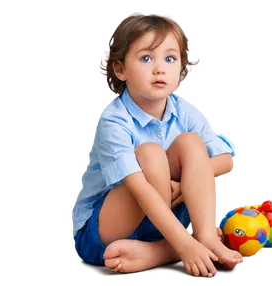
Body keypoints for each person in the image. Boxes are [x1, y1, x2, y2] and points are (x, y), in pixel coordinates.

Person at [72, 12, 242, 278]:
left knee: (190, 144)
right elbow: (139, 188)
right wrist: (184, 243)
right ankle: (181, 244)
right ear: (121, 69)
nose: (159, 68)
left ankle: (202, 238)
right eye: (146, 58)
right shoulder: (114, 120)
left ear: (180, 68)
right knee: (150, 153)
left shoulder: (183, 111)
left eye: (170, 58)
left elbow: (226, 158)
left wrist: (188, 180)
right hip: (105, 231)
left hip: (166, 219)